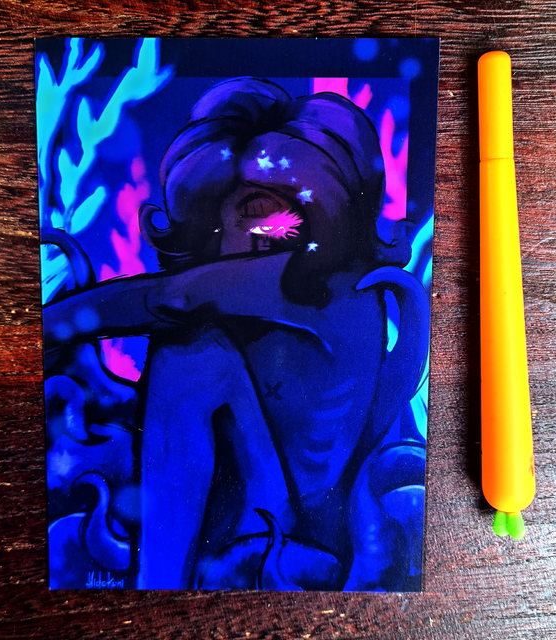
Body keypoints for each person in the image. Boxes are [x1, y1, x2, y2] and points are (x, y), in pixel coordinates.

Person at [43, 78, 429, 590]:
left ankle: (157, 585)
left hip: (288, 533)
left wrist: (35, 330)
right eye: (246, 215)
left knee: (192, 358)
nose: (261, 239)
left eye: (281, 215)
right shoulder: (325, 286)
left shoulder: (311, 282)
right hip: (260, 508)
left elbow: (170, 298)